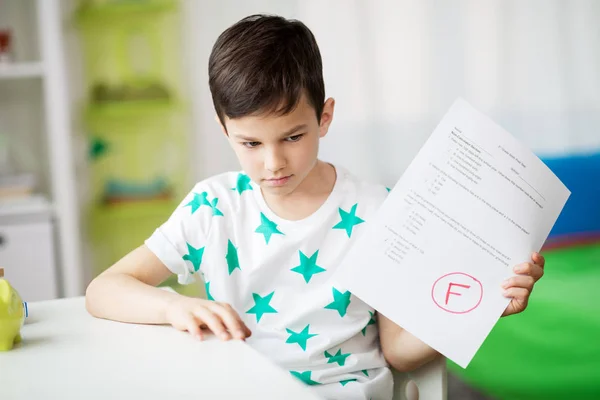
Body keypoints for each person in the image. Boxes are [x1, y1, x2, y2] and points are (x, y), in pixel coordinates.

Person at [85, 14, 546, 400]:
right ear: (223, 128)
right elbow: (104, 289)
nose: (273, 163)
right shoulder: (212, 207)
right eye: (250, 142)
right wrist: (172, 308)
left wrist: (479, 307)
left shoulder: (376, 210)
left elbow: (399, 352)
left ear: (324, 117)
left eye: (293, 136)